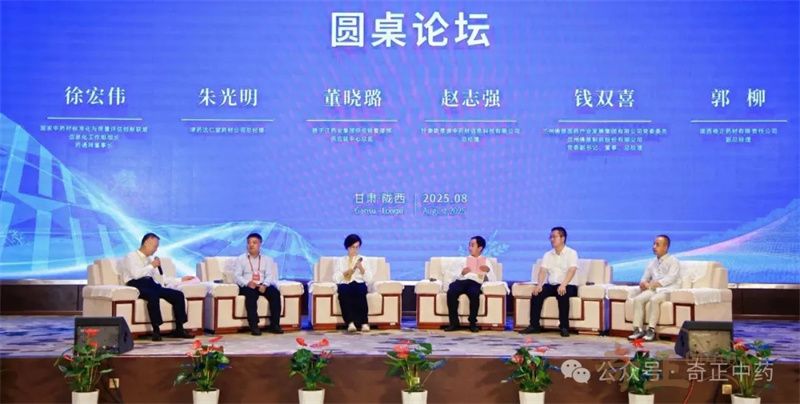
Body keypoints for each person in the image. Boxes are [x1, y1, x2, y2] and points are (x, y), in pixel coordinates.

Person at [118, 233, 196, 341]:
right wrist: (152, 265)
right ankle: (156, 330)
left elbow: (162, 280)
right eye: (155, 246)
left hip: (152, 284)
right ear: (146, 243)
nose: (156, 249)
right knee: (153, 295)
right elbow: (136, 274)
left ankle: (179, 329)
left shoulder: (150, 260)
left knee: (178, 295)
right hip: (137, 284)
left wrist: (181, 279)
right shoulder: (131, 256)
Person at [520, 227, 579, 337]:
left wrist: (563, 284)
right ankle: (534, 325)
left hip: (568, 285)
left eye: (554, 237)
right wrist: (539, 285)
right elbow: (543, 271)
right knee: (537, 293)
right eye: (550, 237)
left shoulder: (571, 253)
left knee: (562, 294)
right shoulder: (547, 255)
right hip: (552, 285)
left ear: (562, 238)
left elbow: (572, 270)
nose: (552, 239)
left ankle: (564, 327)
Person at [629, 234, 681, 342]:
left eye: (657, 244)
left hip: (669, 290)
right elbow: (645, 277)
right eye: (654, 244)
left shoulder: (673, 261)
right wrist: (643, 283)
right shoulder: (652, 262)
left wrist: (655, 284)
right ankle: (638, 329)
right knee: (638, 299)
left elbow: (671, 278)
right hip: (654, 289)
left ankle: (651, 330)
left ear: (665, 247)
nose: (654, 247)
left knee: (654, 300)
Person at [229, 232, 283, 335]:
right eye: (249, 242)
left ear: (260, 244)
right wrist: (247, 283)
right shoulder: (241, 259)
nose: (251, 245)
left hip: (262, 284)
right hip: (248, 285)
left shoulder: (267, 259)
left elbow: (269, 275)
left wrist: (265, 285)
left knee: (275, 293)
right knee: (251, 295)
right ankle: (254, 326)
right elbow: (237, 276)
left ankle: (275, 325)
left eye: (254, 242)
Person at [444, 235, 495, 333]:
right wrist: (462, 273)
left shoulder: (486, 261)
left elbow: (493, 280)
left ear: (480, 248)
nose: (469, 248)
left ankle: (472, 323)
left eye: (472, 245)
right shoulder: (463, 260)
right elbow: (454, 276)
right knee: (451, 292)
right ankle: (454, 323)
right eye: (469, 245)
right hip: (462, 281)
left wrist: (488, 271)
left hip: (475, 282)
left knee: (474, 294)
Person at [333, 234, 372, 333]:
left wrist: (361, 268)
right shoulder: (340, 260)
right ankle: (350, 323)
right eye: (352, 247)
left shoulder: (363, 259)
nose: (355, 250)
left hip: (359, 282)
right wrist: (345, 273)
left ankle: (364, 323)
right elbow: (335, 278)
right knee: (344, 292)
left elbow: (369, 279)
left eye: (357, 247)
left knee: (360, 291)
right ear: (347, 247)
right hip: (345, 283)